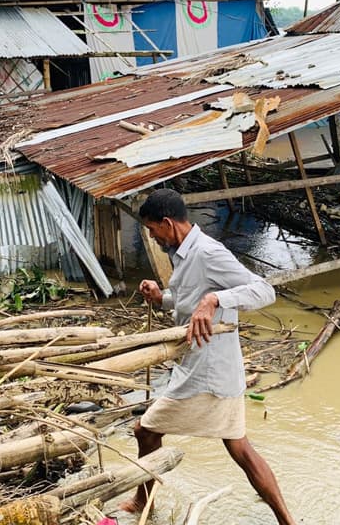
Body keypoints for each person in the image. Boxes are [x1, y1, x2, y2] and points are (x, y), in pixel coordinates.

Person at [119, 188, 296, 525]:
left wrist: (215, 300)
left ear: (168, 224)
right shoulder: (183, 253)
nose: (152, 237)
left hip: (207, 375)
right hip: (203, 368)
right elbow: (189, 299)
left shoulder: (208, 252)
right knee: (238, 448)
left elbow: (264, 290)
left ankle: (144, 500)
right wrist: (162, 297)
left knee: (145, 430)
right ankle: (287, 521)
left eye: (153, 230)